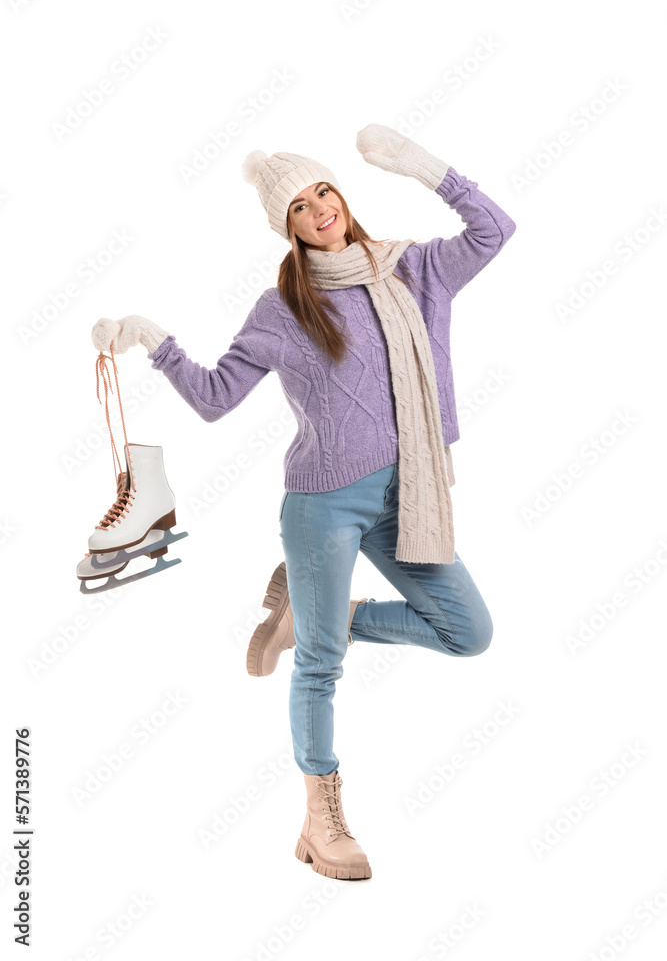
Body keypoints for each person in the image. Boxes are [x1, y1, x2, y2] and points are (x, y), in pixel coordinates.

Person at [92, 122, 516, 881]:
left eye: (323, 190)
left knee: (468, 632)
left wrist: (421, 166)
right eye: (297, 206)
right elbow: (217, 398)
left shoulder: (415, 272)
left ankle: (327, 616)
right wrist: (153, 341)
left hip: (404, 497)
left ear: (342, 195)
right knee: (318, 666)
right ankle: (321, 820)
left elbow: (494, 228)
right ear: (283, 228)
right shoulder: (282, 310)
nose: (318, 208)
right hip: (322, 506)